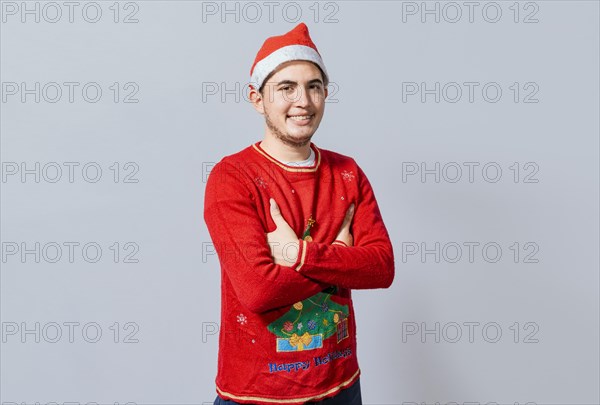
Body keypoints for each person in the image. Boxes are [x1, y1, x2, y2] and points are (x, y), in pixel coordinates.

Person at [203, 22, 395, 405]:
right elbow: (259, 289)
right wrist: (340, 257)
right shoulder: (233, 177)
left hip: (341, 384)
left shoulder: (347, 172)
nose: (303, 101)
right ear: (258, 99)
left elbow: (381, 268)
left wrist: (298, 254)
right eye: (286, 88)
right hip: (259, 393)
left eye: (313, 86)